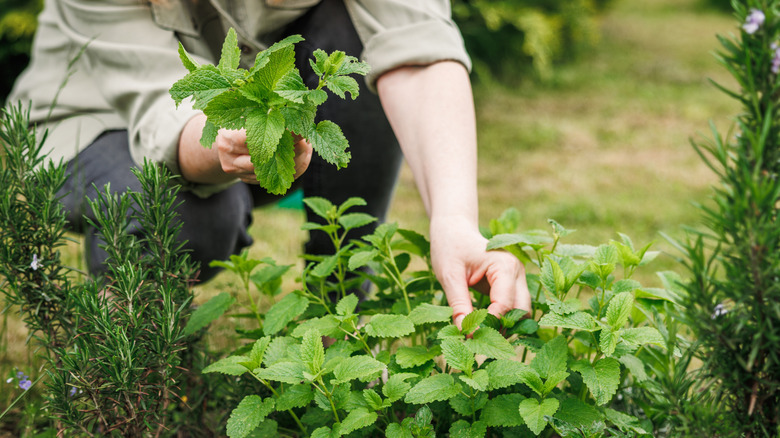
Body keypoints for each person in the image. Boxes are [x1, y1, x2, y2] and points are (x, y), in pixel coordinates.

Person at [7, 0, 530, 326]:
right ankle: (135, 356)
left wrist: (456, 222)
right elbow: (163, 112)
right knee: (192, 222)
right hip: (94, 124)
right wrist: (232, 143)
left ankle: (343, 310)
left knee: (354, 44)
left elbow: (417, 48)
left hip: (258, 127)